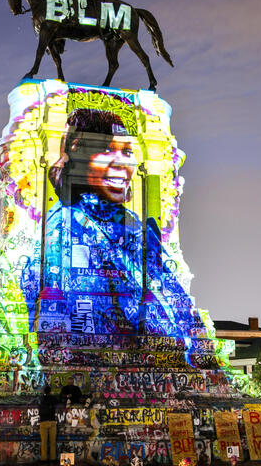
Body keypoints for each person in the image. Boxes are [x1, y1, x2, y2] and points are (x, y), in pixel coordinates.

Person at [23, 108, 199, 339]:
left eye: (127, 151)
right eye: (106, 150)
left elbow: (173, 296)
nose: (121, 164)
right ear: (79, 155)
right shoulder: (63, 224)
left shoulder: (138, 227)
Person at [38, 385, 59, 461]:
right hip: (52, 421)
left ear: (44, 391)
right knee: (53, 442)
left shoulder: (41, 398)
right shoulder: (53, 398)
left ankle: (44, 459)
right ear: (50, 391)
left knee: (44, 443)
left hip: (43, 421)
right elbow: (58, 401)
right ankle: (53, 458)